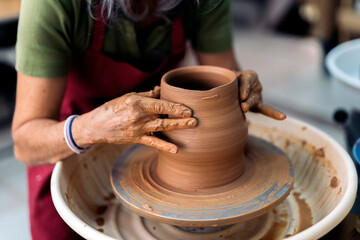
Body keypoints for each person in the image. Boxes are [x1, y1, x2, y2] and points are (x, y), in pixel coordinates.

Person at [12, 0, 286, 239]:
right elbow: (25, 142)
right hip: (73, 129)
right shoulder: (53, 3)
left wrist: (239, 89)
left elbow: (224, 76)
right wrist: (92, 127)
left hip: (164, 131)